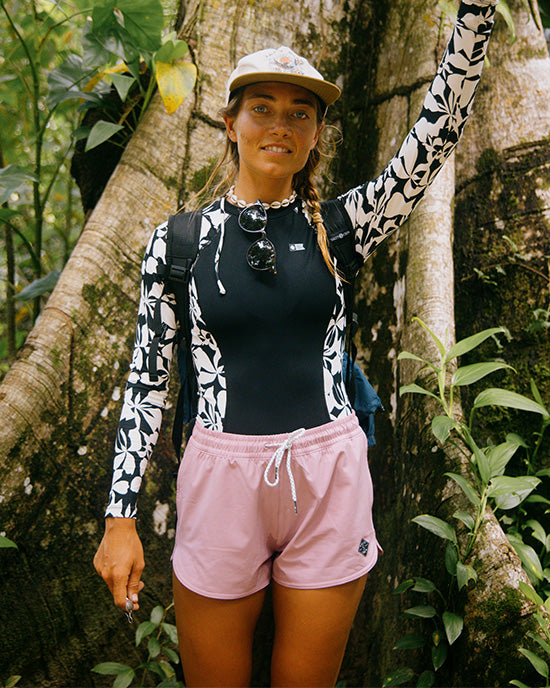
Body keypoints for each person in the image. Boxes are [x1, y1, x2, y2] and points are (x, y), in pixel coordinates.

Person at [94, 1, 498, 685]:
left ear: (316, 134)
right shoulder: (181, 242)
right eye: (262, 108)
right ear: (230, 123)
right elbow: (146, 382)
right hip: (220, 478)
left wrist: (476, 15)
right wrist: (120, 517)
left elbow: (436, 134)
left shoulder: (342, 228)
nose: (280, 125)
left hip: (328, 476)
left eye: (300, 113)